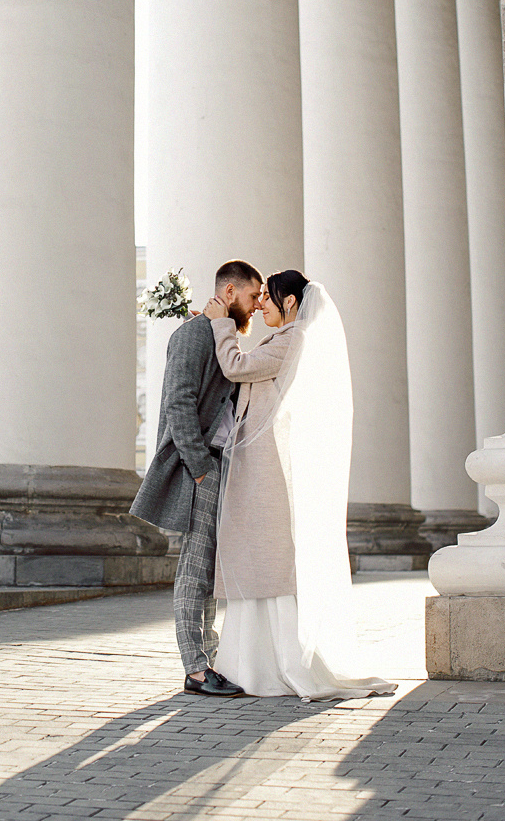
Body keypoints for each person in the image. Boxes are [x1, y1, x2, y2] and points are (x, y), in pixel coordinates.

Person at [203, 270, 396, 701]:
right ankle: (255, 663)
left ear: (290, 302)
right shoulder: (287, 338)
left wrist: (221, 324)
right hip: (262, 464)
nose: (261, 307)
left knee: (268, 560)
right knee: (261, 558)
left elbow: (236, 366)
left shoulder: (294, 339)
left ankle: (270, 666)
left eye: (267, 299)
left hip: (269, 468)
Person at [130, 259, 264, 697]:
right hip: (200, 466)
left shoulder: (220, 335)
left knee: (209, 570)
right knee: (195, 568)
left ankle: (209, 660)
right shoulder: (192, 335)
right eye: (251, 295)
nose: (256, 304)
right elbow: (179, 405)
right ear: (229, 293)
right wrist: (201, 470)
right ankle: (196, 669)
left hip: (219, 464)